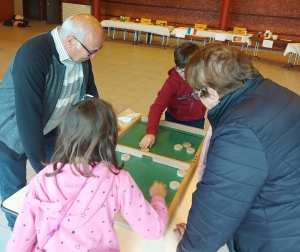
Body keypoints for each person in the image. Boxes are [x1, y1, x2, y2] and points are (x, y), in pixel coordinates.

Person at [174, 43, 300, 251]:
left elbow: (217, 206)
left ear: (212, 94)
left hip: (277, 237)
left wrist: (188, 247)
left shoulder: (239, 133)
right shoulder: (277, 92)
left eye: (198, 94)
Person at [6, 97, 168, 252]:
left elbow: (17, 246)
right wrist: (158, 197)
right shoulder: (118, 180)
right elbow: (154, 230)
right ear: (110, 139)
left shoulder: (44, 176)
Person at [0, 13, 105, 230]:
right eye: (91, 51)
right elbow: (27, 117)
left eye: (97, 51)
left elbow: (89, 93)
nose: (93, 57)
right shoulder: (34, 54)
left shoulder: (80, 54)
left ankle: (52, 227)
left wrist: (99, 129)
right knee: (14, 190)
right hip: (10, 133)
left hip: (50, 129)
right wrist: (41, 169)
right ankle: (19, 234)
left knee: (59, 177)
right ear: (70, 41)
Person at [139, 42, 206, 149]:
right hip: (173, 119)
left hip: (196, 121)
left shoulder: (205, 79)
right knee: (170, 147)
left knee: (193, 149)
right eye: (180, 69)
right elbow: (157, 107)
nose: (183, 74)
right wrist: (151, 132)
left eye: (187, 70)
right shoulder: (172, 82)